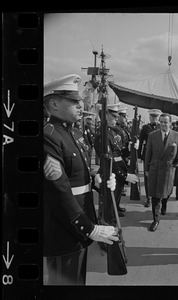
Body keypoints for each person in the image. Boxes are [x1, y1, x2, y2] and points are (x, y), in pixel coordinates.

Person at [43, 74, 118, 285]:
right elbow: (59, 191)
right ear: (54, 104)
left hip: (80, 219)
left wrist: (98, 181)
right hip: (64, 227)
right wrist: (89, 228)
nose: (80, 105)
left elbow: (78, 173)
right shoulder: (48, 137)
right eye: (74, 101)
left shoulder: (75, 134)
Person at [94, 103, 139, 218]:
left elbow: (118, 151)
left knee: (114, 203)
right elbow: (108, 161)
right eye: (113, 116)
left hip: (116, 172)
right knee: (108, 209)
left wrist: (130, 149)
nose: (116, 119)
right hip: (109, 175)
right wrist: (124, 176)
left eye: (116, 116)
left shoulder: (112, 132)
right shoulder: (102, 135)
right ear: (105, 115)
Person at [144, 113, 178, 231]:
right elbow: (148, 154)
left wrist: (173, 167)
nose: (163, 124)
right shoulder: (152, 135)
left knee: (166, 193)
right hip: (155, 170)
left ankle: (164, 204)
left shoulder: (177, 136)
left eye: (165, 122)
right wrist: (146, 169)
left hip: (168, 171)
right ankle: (156, 219)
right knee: (155, 196)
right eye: (161, 122)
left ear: (170, 123)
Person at [138, 109, 161, 207]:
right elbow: (140, 142)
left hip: (159, 156)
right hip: (148, 155)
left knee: (158, 177)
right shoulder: (145, 128)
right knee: (147, 177)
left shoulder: (161, 127)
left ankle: (157, 197)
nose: (154, 119)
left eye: (156, 117)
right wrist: (139, 155)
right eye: (152, 117)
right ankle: (148, 198)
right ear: (150, 117)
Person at [115, 107, 132, 196]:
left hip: (124, 156)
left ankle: (120, 191)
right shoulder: (117, 128)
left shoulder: (123, 128)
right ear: (119, 117)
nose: (125, 119)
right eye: (124, 116)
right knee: (119, 179)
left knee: (121, 179)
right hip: (119, 157)